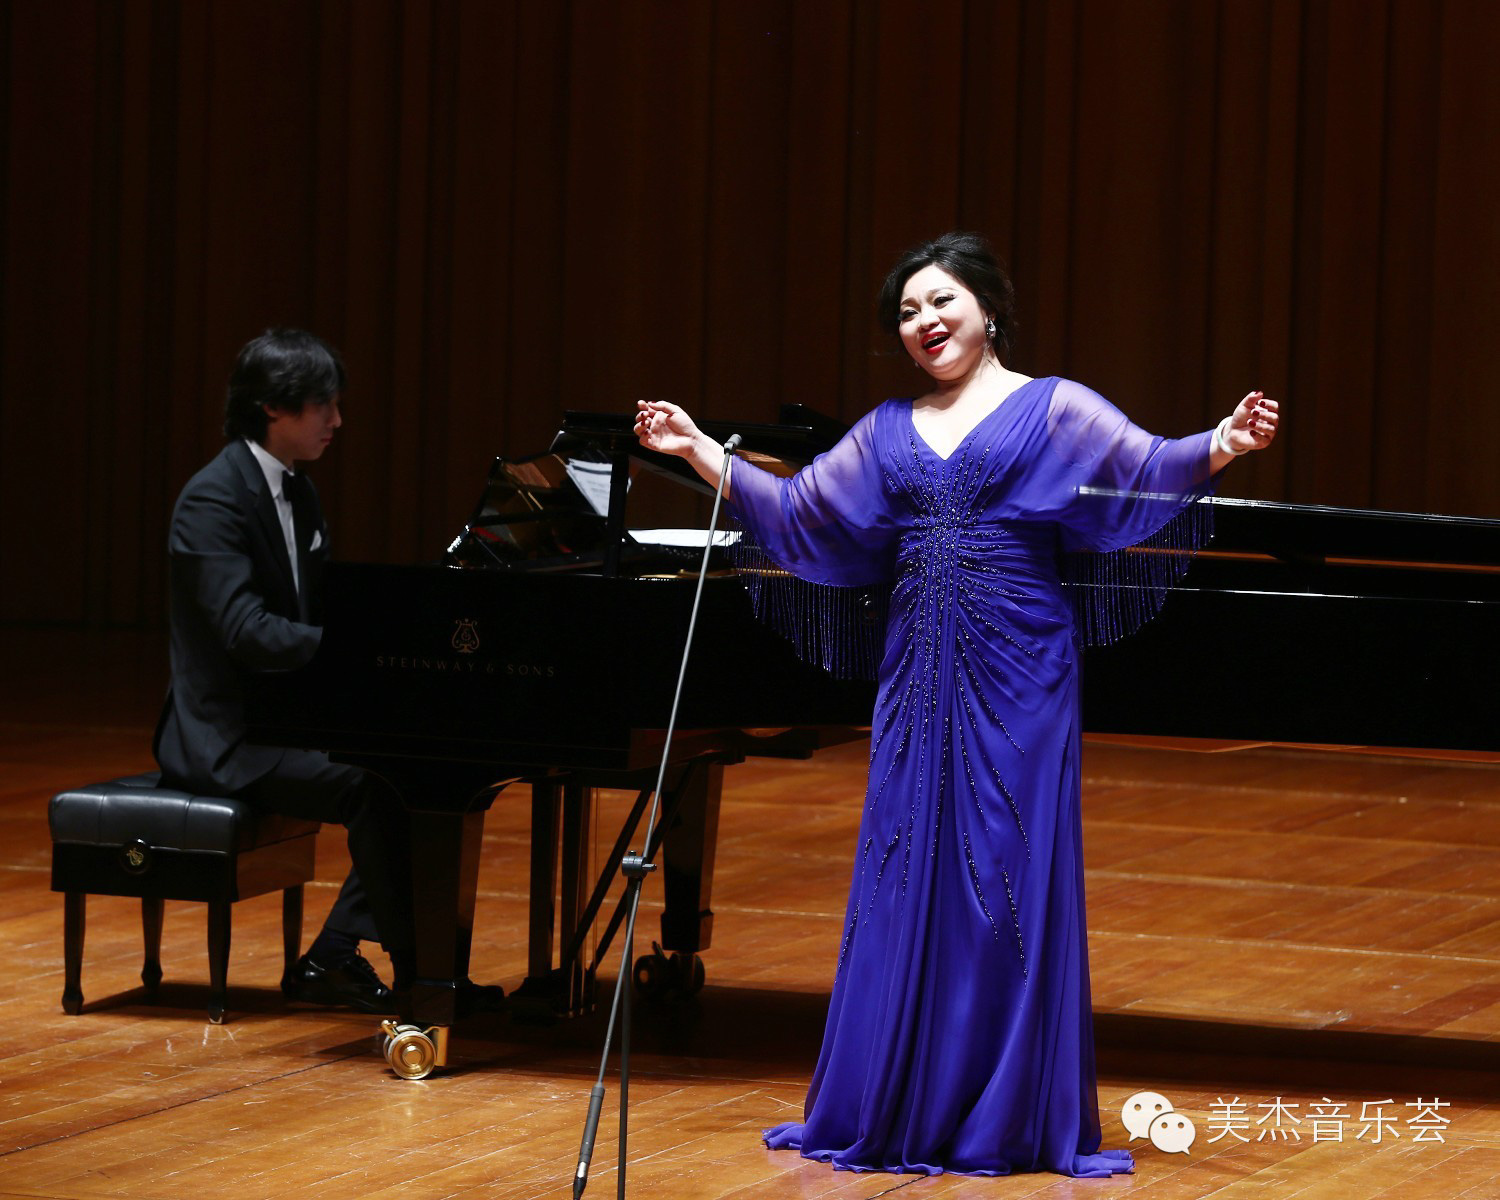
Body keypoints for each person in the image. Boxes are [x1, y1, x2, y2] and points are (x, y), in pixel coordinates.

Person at [634, 232, 1279, 1178]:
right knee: (905, 872)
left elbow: (1141, 469)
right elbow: (803, 512)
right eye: (907, 312)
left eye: (941, 301)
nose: (925, 321)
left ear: (989, 309)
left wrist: (1223, 443)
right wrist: (697, 450)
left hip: (1023, 672)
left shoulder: (1053, 406)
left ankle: (1003, 1113)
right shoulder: (887, 428)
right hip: (916, 673)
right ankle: (902, 1103)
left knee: (1005, 876)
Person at [153, 329, 414, 1012]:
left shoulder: (299, 492)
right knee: (378, 786)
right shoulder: (212, 500)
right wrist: (355, 653)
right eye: (323, 404)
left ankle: (339, 955)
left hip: (287, 723)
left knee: (414, 772)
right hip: (231, 739)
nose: (337, 420)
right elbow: (246, 632)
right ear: (273, 406)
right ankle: (365, 961)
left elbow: (317, 610)